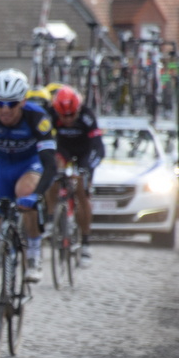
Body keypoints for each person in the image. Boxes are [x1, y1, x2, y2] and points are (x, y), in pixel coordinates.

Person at [0, 69, 57, 338]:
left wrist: (37, 196)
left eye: (11, 104)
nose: (4, 110)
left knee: (26, 192)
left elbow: (50, 165)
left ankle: (33, 251)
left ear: (22, 101)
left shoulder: (37, 118)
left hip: (26, 167)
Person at [47, 85, 104, 266]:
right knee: (52, 175)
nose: (68, 119)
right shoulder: (51, 114)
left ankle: (86, 242)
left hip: (85, 153)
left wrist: (87, 168)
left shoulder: (87, 116)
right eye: (64, 116)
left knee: (82, 191)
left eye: (72, 115)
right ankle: (51, 219)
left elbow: (99, 148)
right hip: (63, 149)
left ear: (78, 109)